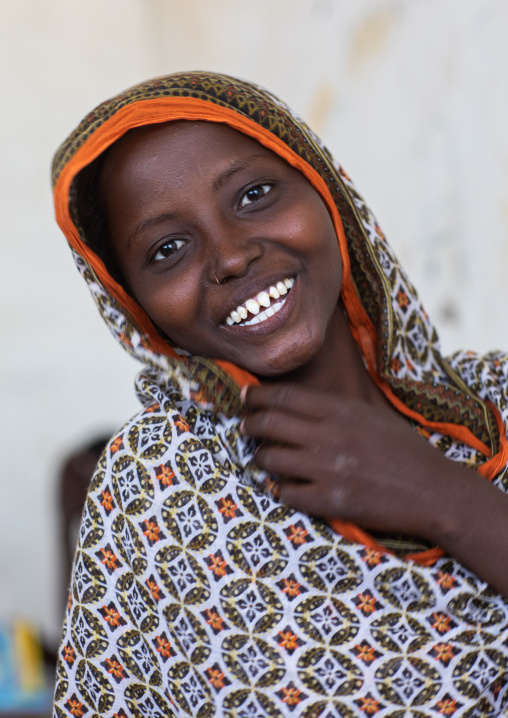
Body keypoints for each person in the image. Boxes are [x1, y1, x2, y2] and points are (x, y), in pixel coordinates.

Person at [51, 72, 508, 717]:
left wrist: (445, 498)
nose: (231, 257)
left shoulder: (496, 400)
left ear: (327, 191)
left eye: (254, 195)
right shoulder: (161, 490)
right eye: (168, 248)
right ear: (134, 305)